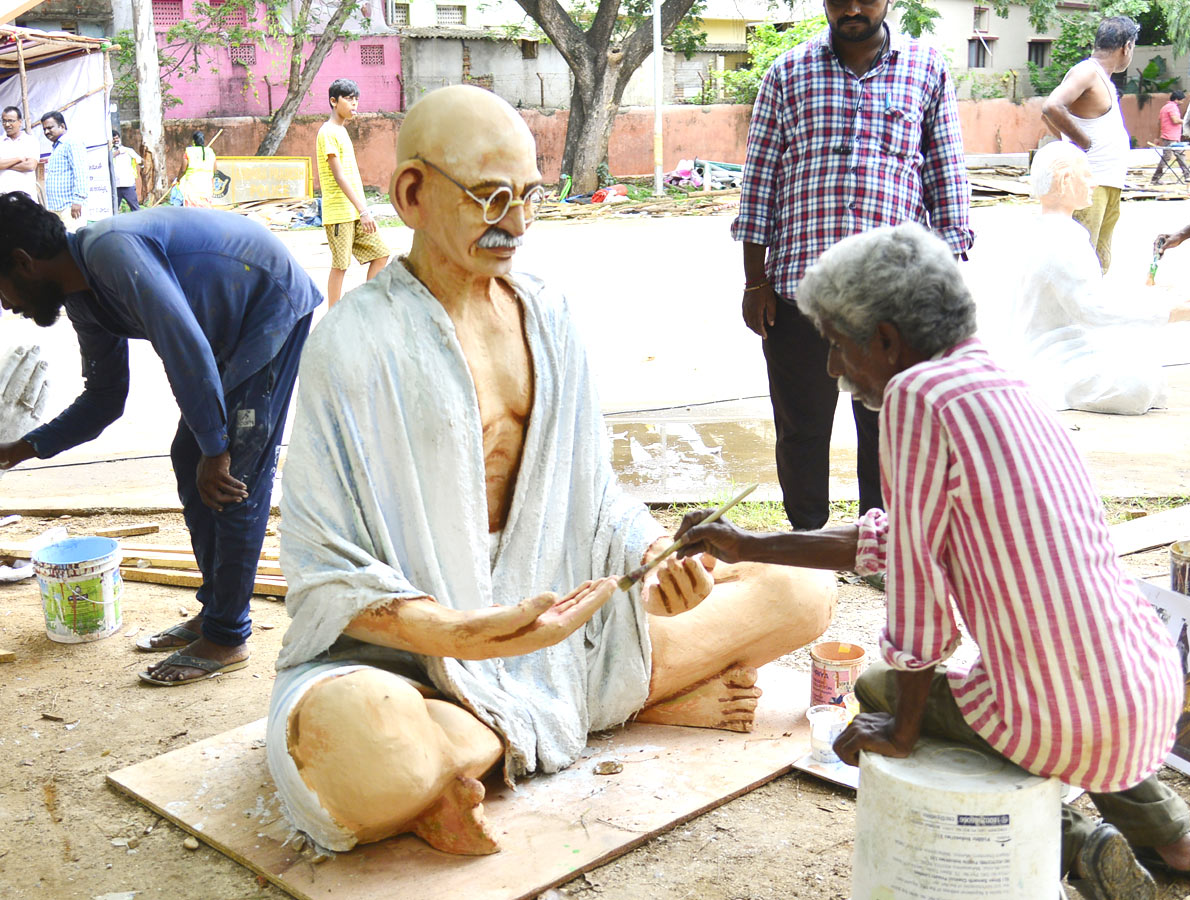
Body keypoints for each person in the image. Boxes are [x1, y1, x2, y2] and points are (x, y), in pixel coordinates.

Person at [264, 85, 838, 856]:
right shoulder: (354, 343)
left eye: (531, 195)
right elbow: (323, 573)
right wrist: (462, 633)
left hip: (568, 636)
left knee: (805, 588)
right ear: (412, 193)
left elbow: (592, 495)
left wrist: (648, 559)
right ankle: (556, 723)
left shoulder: (549, 314)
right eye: (491, 197)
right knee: (366, 743)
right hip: (419, 661)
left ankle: (480, 752)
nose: (519, 222)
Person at [674, 222, 1190, 899]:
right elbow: (897, 538)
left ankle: (1076, 843)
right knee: (1067, 679)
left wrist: (903, 724)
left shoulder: (916, 397)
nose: (833, 368)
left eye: (838, 345)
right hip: (1143, 687)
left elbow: (918, 589)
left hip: (1067, 714)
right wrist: (750, 544)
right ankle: (1175, 841)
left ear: (886, 340)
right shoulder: (994, 377)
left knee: (880, 688)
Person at [0, 192, 323, 687]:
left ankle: (227, 635)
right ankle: (215, 612)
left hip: (268, 303)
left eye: (2, 290)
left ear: (23, 263)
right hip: (227, 328)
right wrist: (21, 449)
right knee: (188, 454)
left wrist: (217, 449)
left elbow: (183, 346)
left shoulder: (110, 250)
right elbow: (106, 399)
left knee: (231, 469)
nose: (7, 305)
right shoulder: (84, 297)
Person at [732, 0, 972, 537]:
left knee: (889, 427)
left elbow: (947, 179)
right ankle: (807, 538)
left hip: (891, 301)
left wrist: (946, 285)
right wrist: (754, 280)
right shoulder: (786, 72)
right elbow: (760, 180)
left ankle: (881, 541)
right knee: (802, 428)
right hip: (799, 292)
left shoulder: (927, 69)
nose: (853, 9)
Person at [1012, 141, 1190, 415]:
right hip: (1053, 354)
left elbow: (1091, 298)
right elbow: (1093, 310)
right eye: (1087, 175)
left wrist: (1158, 300)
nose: (1094, 183)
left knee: (1144, 362)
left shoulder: (1047, 231)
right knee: (1139, 382)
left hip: (1066, 344)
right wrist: (1174, 311)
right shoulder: (1060, 239)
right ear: (1066, 180)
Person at [1042, 16, 1139, 273]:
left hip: (1108, 182)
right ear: (1126, 47)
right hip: (1090, 185)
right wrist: (1080, 143)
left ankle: (1092, 313)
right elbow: (1051, 107)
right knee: (1080, 264)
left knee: (1099, 260)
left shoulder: (1102, 78)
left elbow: (1049, 115)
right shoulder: (1087, 71)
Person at [316, 78, 389, 305]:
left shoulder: (342, 131)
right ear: (333, 101)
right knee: (340, 265)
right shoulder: (327, 132)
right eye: (348, 99)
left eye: (356, 99)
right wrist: (363, 209)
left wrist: (361, 210)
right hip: (339, 212)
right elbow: (338, 176)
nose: (354, 104)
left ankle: (366, 306)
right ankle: (333, 315)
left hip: (356, 211)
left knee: (381, 254)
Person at [40, 110, 87, 233]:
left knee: (73, 243)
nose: (46, 132)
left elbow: (80, 172)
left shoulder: (72, 143)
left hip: (70, 207)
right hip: (57, 207)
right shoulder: (57, 146)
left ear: (62, 126)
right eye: (44, 129)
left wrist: (77, 201)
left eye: (50, 128)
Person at [1151, 90, 1190, 185]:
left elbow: (1159, 123)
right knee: (1168, 157)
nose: (1182, 102)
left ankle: (1187, 176)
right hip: (1170, 136)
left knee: (1177, 156)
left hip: (1169, 136)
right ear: (1176, 99)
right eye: (1181, 100)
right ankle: (1155, 178)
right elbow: (1175, 120)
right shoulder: (1173, 107)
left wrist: (1157, 137)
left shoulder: (1164, 108)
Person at [0, 106, 39, 202]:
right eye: (4, 121)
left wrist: (4, 164)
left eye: (11, 121)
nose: (7, 124)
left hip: (26, 198)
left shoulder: (30, 141)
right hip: (3, 197)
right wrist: (18, 159)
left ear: (20, 122)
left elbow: (30, 166)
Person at [178, 131, 214, 207]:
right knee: (205, 207)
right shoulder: (210, 151)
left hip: (192, 184)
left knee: (192, 209)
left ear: (193, 141)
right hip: (206, 184)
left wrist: (178, 179)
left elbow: (183, 169)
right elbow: (215, 168)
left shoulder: (189, 151)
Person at [111, 130, 143, 212]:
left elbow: (140, 160)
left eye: (117, 138)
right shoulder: (109, 153)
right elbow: (108, 158)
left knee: (135, 208)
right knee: (113, 210)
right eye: (113, 139)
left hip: (128, 185)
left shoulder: (128, 150)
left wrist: (142, 164)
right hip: (115, 186)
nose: (116, 140)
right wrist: (118, 152)